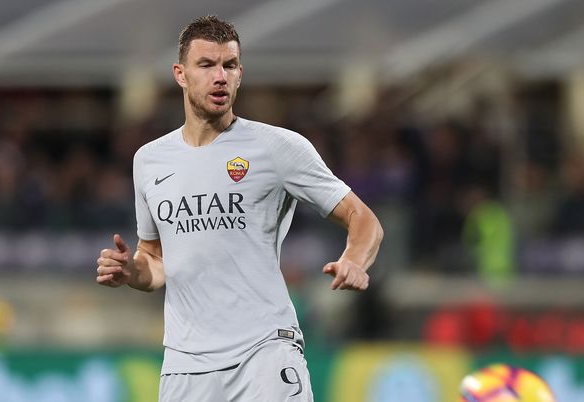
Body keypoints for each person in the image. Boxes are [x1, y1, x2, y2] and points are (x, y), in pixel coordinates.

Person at [95, 15, 383, 402]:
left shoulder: (277, 148)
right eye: (206, 65)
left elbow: (363, 218)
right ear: (180, 74)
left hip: (263, 354)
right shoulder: (149, 161)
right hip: (185, 365)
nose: (220, 77)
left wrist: (354, 259)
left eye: (229, 66)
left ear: (240, 74)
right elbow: (156, 260)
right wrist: (131, 271)